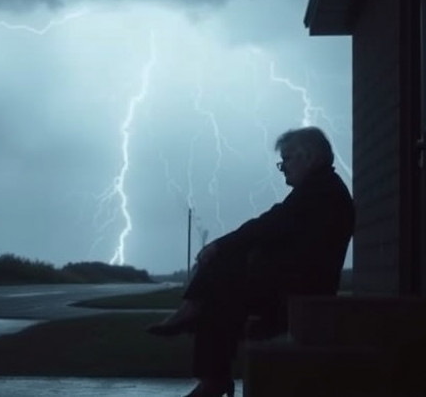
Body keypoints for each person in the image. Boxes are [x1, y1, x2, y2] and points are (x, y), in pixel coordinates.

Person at [147, 126, 355, 397]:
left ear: (310, 156)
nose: (282, 168)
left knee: (220, 275)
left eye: (287, 159)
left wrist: (219, 246)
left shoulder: (320, 191)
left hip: (301, 290)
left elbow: (270, 224)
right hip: (296, 283)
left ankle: (210, 369)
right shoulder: (320, 188)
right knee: (221, 283)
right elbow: (275, 228)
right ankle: (209, 364)